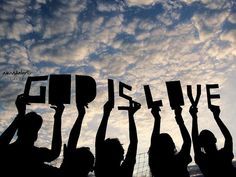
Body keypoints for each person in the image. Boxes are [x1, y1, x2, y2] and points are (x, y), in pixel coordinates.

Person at [0, 94, 64, 177]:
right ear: (36, 135)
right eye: (34, 129)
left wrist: (20, 115)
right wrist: (58, 117)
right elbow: (54, 153)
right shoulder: (37, 154)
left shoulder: (9, 151)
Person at [95, 100, 141, 177]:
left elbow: (99, 141)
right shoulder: (125, 172)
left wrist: (106, 114)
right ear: (121, 155)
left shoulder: (101, 170)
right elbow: (134, 142)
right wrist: (131, 115)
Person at [190, 105, 236, 177]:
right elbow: (228, 138)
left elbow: (195, 140)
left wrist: (194, 117)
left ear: (201, 144)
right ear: (215, 139)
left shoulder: (203, 160)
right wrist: (217, 117)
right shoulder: (224, 154)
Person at [148, 106, 192, 177]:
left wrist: (157, 119)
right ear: (173, 145)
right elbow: (187, 141)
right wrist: (179, 118)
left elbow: (154, 143)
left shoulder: (156, 165)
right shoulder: (179, 161)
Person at [60, 103, 94, 177]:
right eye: (90, 165)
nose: (92, 170)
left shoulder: (65, 171)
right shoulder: (67, 170)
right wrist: (81, 115)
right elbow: (72, 142)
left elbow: (72, 143)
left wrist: (81, 115)